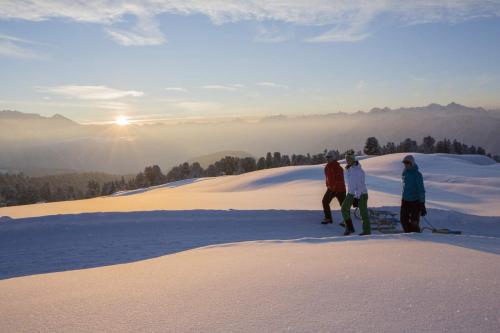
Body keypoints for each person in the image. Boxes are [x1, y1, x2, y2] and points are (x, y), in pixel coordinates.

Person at [341, 150, 371, 236]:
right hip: (351, 193)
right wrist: (348, 169)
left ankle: (367, 231)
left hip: (361, 194)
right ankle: (349, 228)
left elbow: (360, 186)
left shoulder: (358, 171)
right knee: (344, 208)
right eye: (346, 159)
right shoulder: (350, 168)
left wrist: (357, 198)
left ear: (353, 159)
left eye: (348, 159)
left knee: (363, 213)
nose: (347, 161)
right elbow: (352, 184)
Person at [400, 155, 426, 233]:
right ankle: (409, 237)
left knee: (414, 223)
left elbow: (421, 190)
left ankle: (417, 238)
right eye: (404, 163)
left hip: (415, 201)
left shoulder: (417, 175)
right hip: (405, 200)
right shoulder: (405, 172)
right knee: (403, 221)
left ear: (412, 163)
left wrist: (422, 203)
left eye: (407, 163)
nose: (405, 164)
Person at [321, 150, 346, 226]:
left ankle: (346, 221)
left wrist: (334, 187)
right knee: (325, 201)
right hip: (331, 189)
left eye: (329, 157)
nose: (327, 159)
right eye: (327, 157)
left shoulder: (338, 168)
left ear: (333, 158)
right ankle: (328, 218)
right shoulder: (327, 167)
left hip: (340, 189)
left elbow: (339, 179)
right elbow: (328, 178)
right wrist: (328, 185)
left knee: (344, 206)